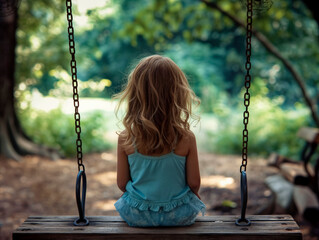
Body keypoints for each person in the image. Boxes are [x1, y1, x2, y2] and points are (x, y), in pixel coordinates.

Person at [114, 55, 206, 227]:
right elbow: (194, 183)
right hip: (178, 215)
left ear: (135, 94)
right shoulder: (186, 138)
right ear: (177, 95)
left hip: (137, 215)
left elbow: (121, 183)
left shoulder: (126, 138)